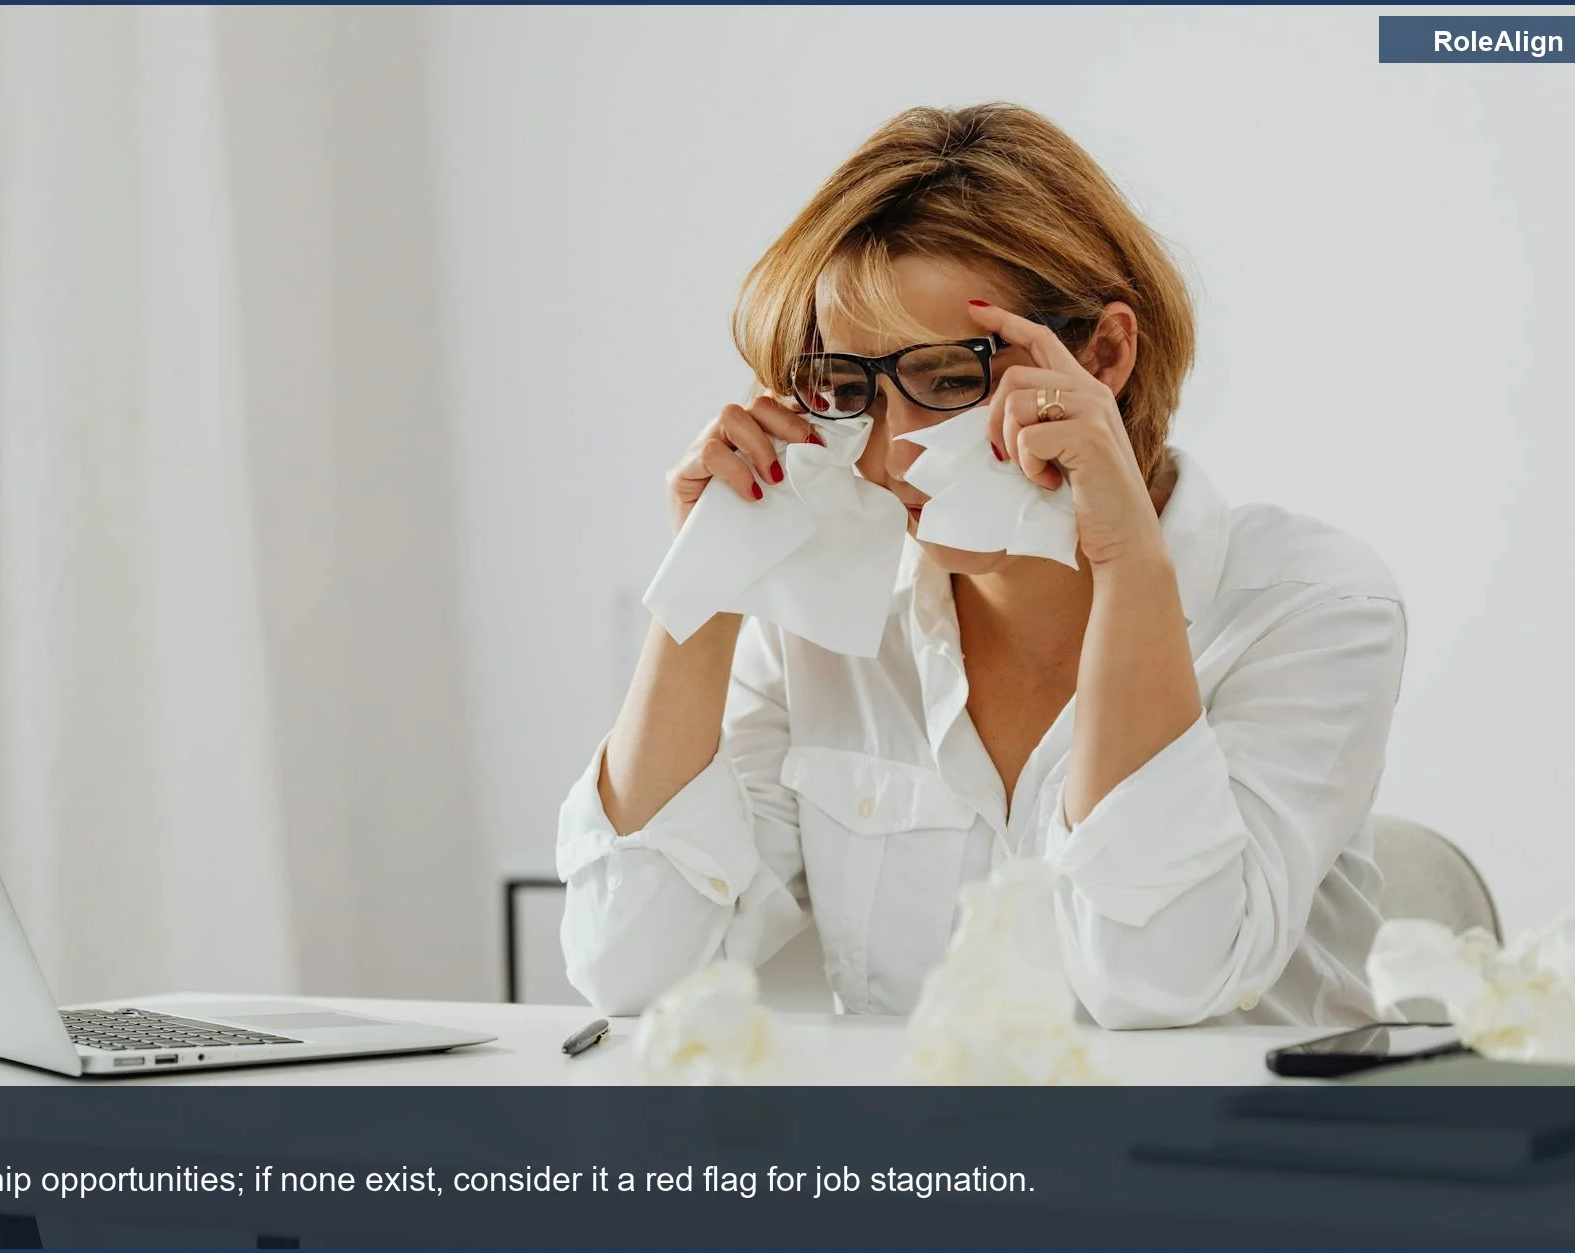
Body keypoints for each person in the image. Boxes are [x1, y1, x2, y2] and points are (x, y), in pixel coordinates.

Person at [556, 103, 1405, 1029]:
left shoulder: (1310, 605)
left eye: (950, 378)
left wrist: (1127, 563)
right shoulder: (830, 625)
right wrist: (706, 581)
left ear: (1105, 352)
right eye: (848, 387)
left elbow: (1156, 978)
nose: (893, 453)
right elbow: (632, 968)